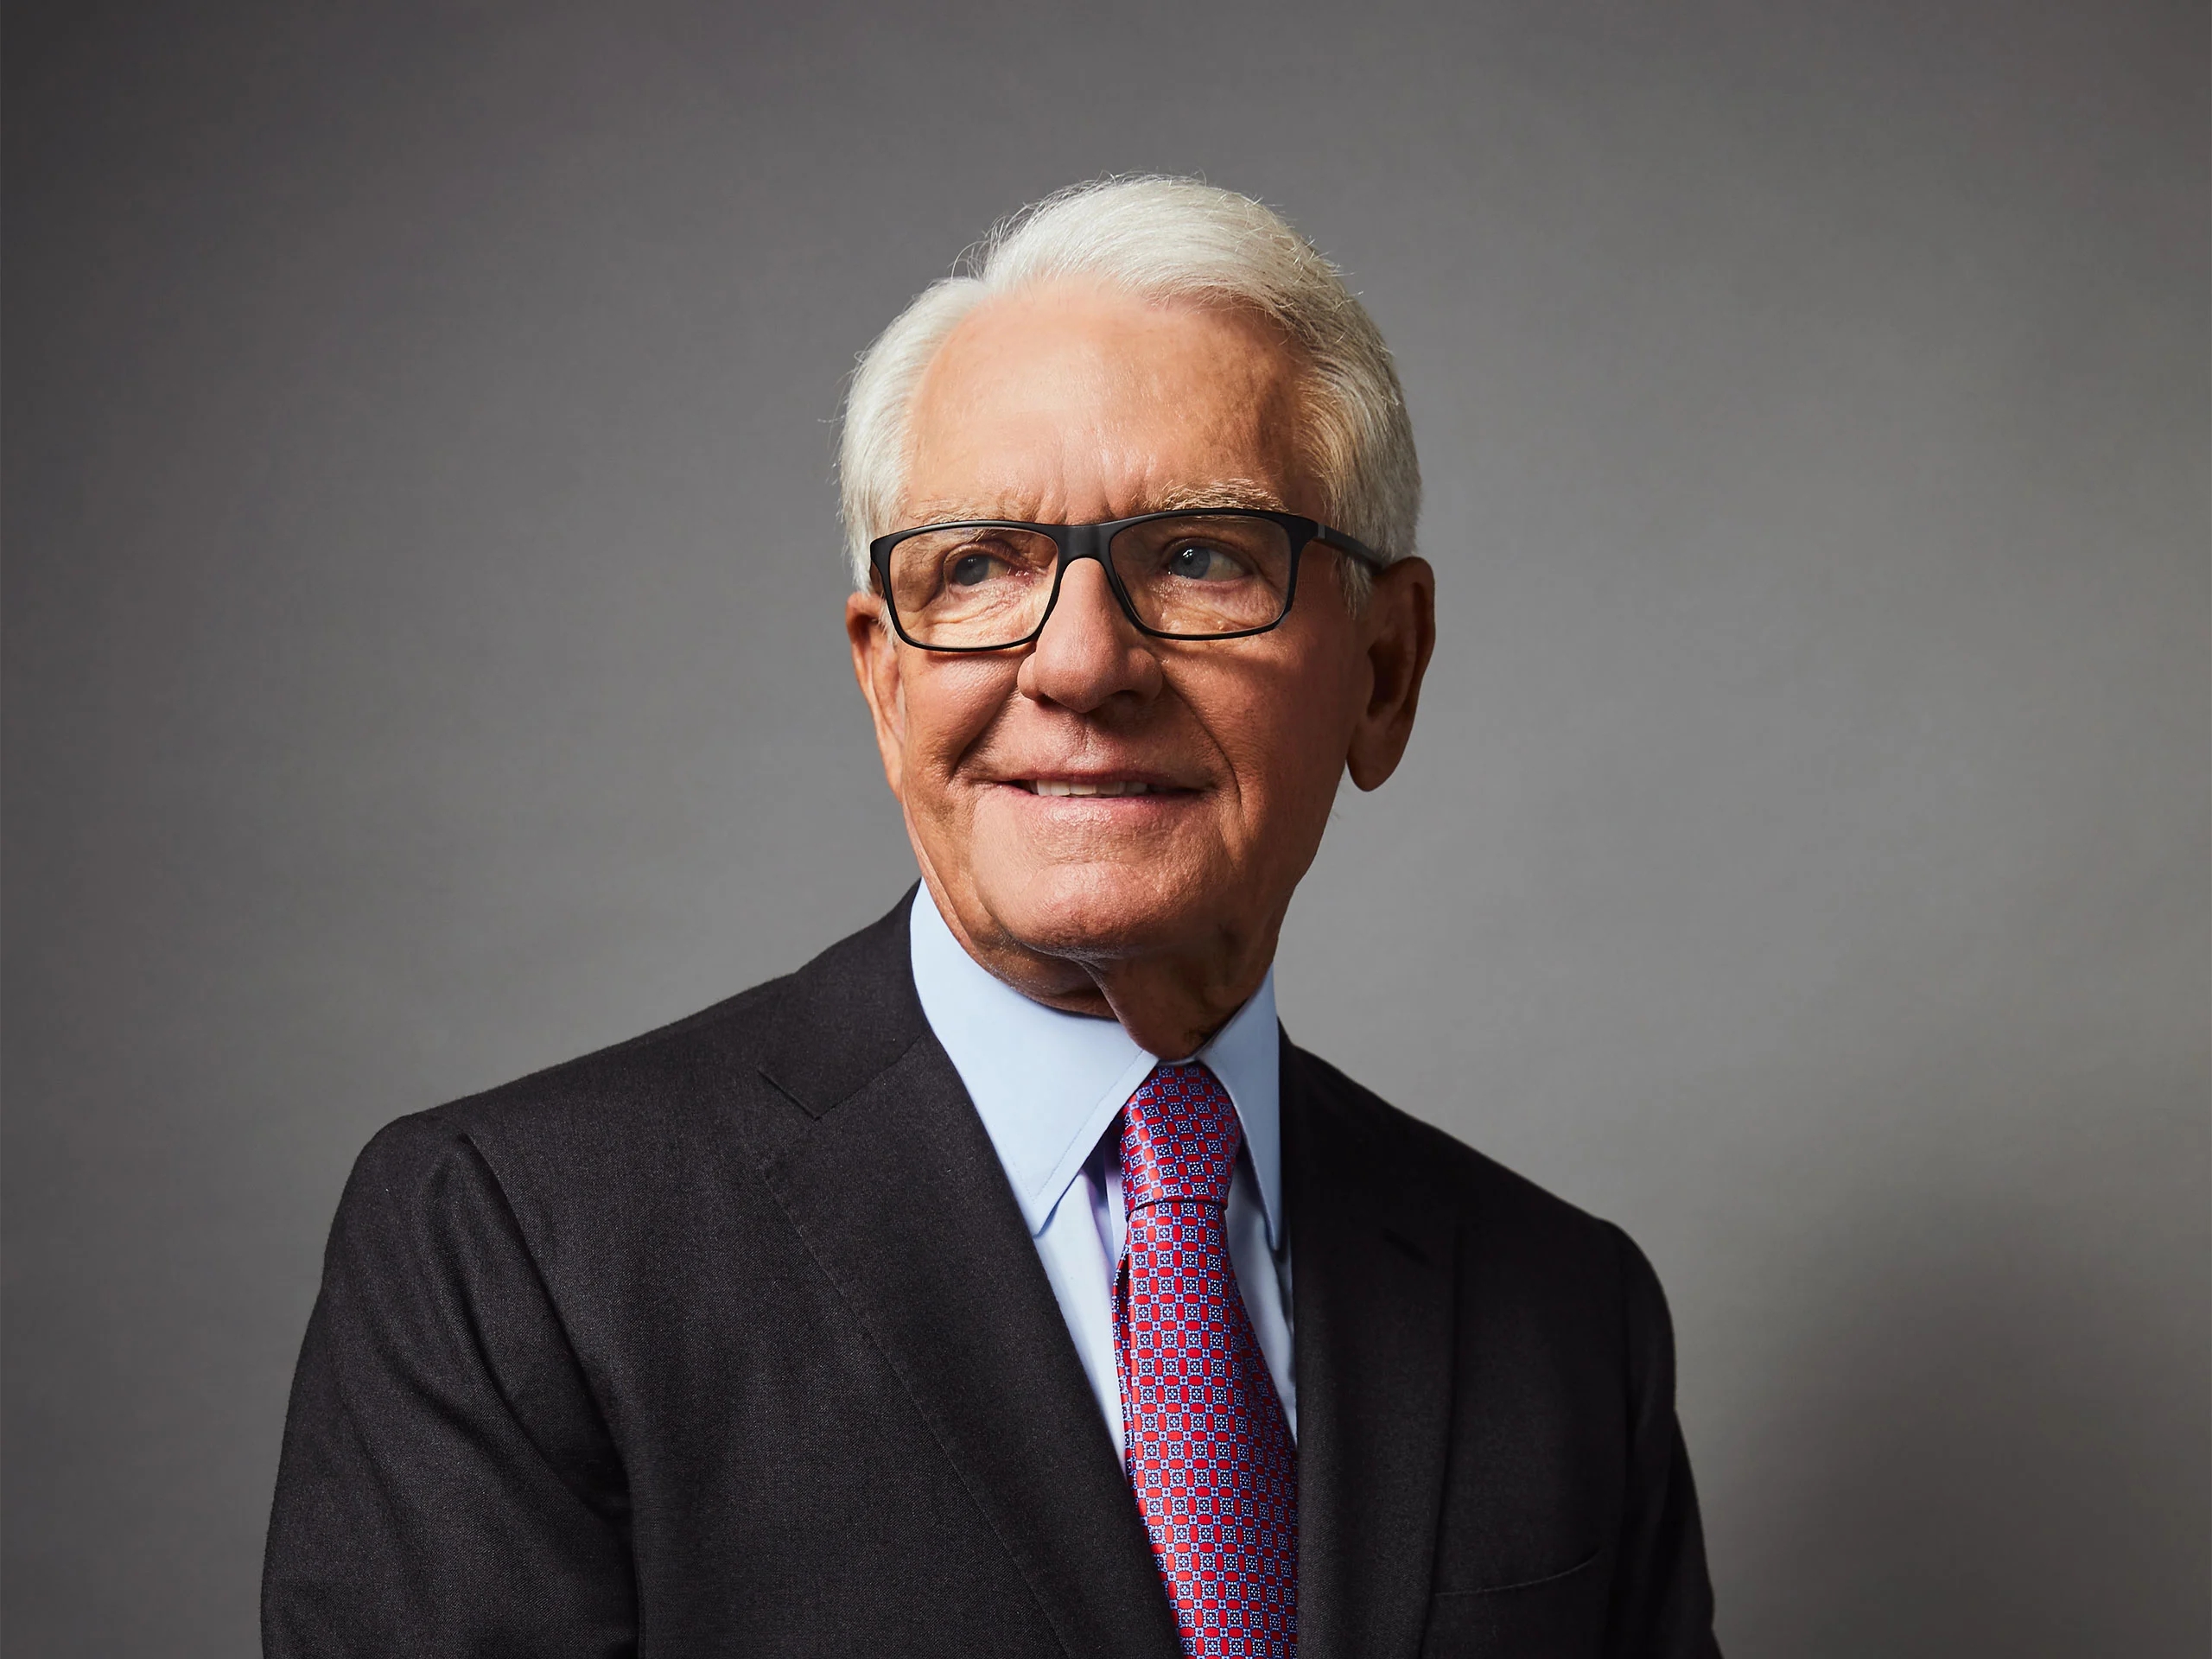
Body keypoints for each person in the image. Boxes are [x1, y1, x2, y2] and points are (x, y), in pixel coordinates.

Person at [263, 176, 1720, 1658]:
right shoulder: (515, 1249)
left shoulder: (1565, 1315)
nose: (1080, 665)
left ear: (1386, 670)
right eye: (977, 569)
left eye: (1200, 554)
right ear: (885, 682)